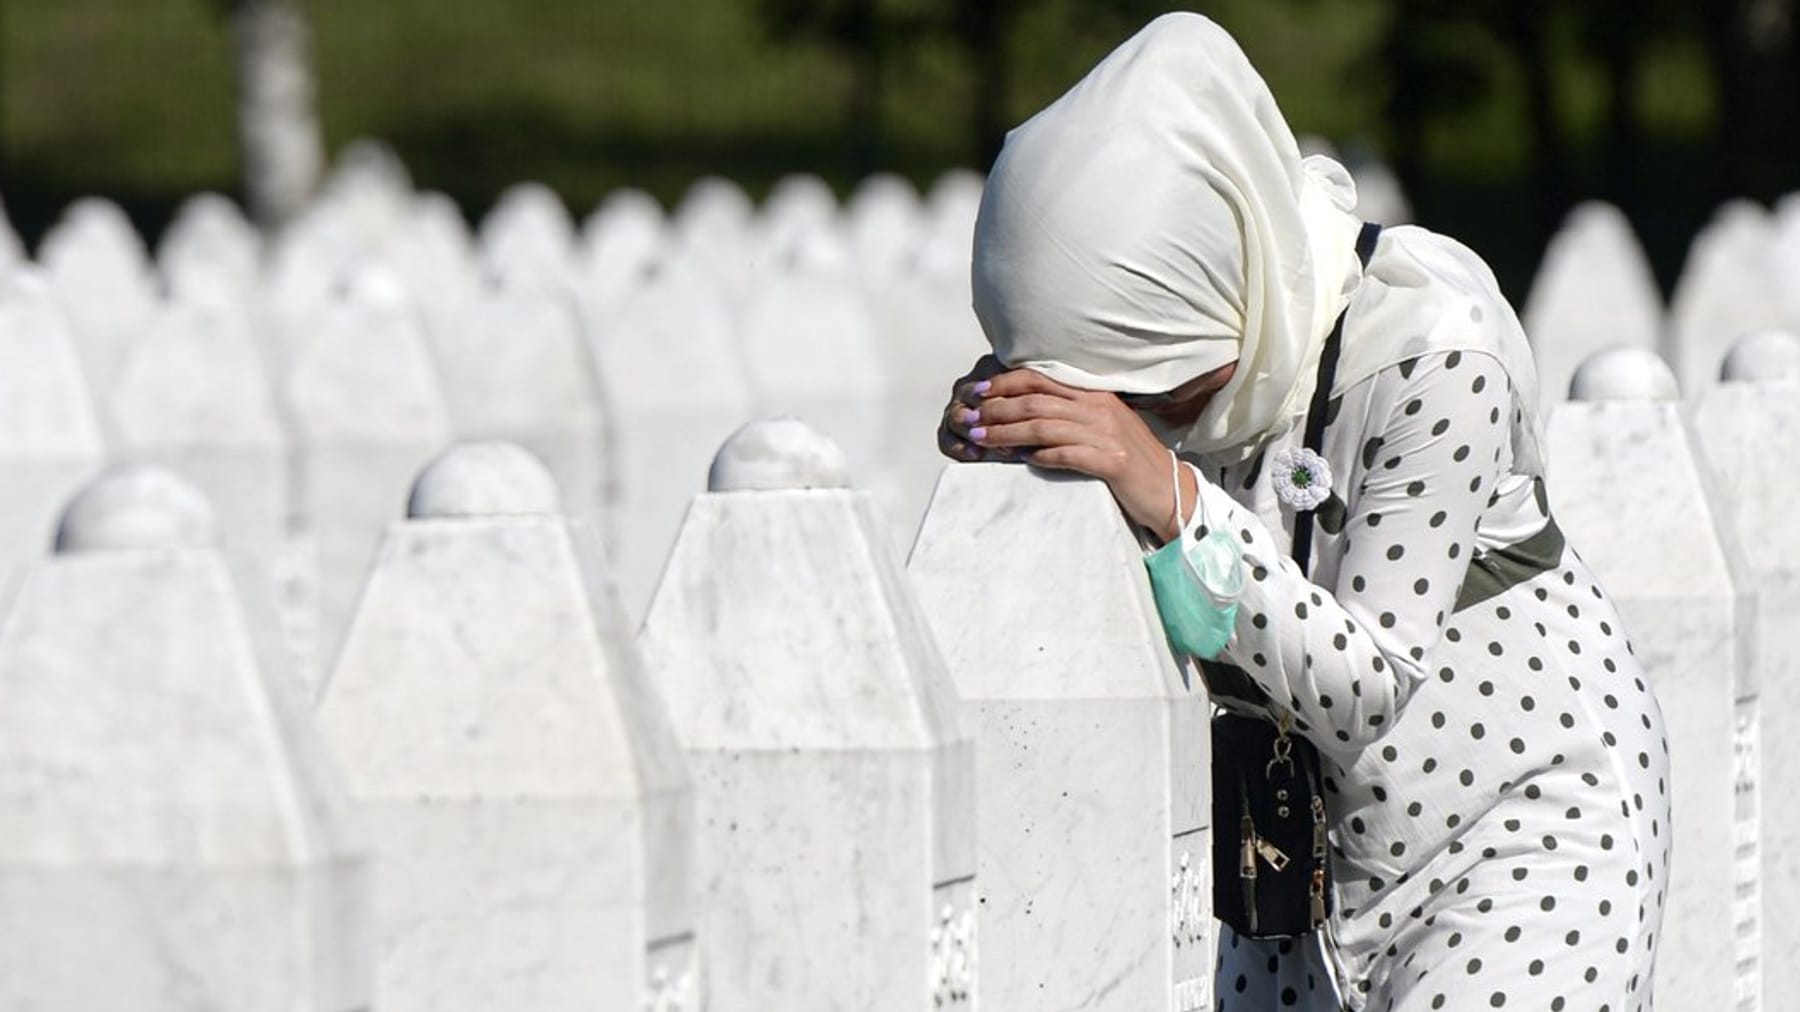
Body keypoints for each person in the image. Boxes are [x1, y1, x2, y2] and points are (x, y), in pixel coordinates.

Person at [937, 13, 1668, 1012]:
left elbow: (1367, 684)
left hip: (1519, 840)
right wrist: (1016, 444)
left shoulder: (1434, 349)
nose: (1138, 419)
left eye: (1150, 382)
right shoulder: (1191, 372)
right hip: (1293, 872)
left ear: (1214, 283)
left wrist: (1162, 486)